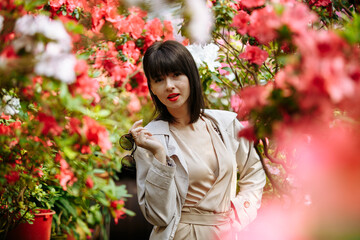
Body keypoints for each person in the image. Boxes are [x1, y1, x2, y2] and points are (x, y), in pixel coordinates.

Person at [128, 40, 266, 240]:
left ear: (191, 75)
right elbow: (158, 216)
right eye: (159, 79)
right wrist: (159, 155)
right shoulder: (150, 139)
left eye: (176, 75)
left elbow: (254, 171)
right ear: (152, 88)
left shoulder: (225, 125)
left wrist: (238, 215)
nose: (169, 86)